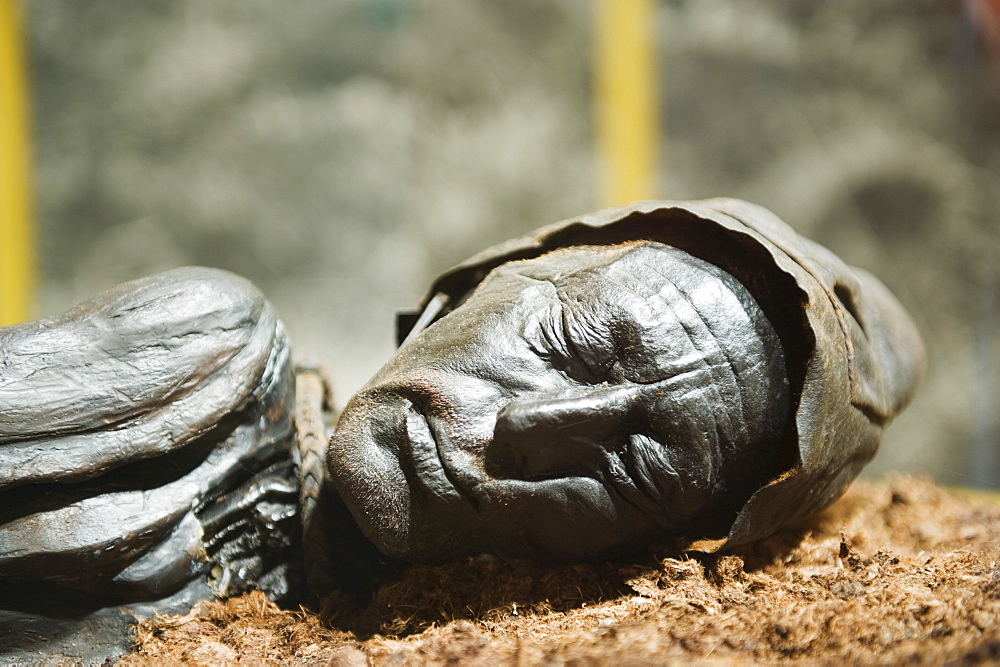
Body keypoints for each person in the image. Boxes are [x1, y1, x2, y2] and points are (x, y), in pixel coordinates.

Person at [0, 199, 925, 660]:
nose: (527, 426)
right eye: (571, 337)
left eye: (636, 466)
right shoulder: (206, 361)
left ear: (634, 556)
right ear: (492, 275)